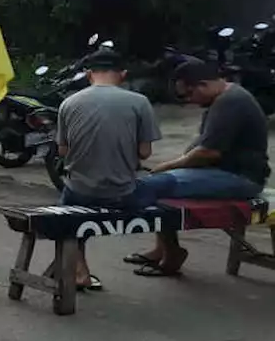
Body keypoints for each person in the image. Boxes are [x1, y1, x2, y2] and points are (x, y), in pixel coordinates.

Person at [125, 57, 270, 277]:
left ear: (203, 84)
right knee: (157, 184)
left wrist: (168, 165)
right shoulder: (224, 98)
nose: (189, 101)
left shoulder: (231, 101)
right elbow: (202, 145)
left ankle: (172, 253)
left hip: (240, 178)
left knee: (152, 186)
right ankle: (161, 249)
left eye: (188, 94)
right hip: (222, 171)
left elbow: (207, 152)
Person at [54, 47, 161, 292]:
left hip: (80, 191)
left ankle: (81, 271)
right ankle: (168, 252)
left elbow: (62, 152)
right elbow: (145, 153)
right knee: (163, 191)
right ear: (122, 74)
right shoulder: (139, 102)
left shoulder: (68, 103)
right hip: (124, 194)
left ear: (89, 74)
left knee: (67, 214)